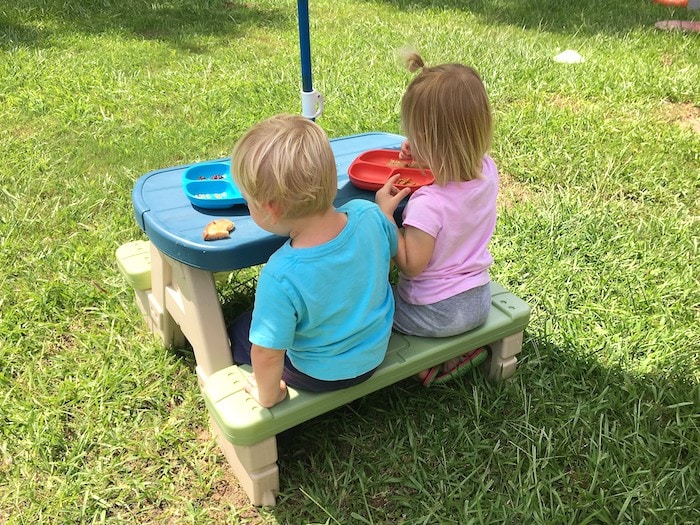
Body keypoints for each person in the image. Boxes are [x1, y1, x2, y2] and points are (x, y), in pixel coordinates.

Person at [227, 114, 399, 407]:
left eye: (248, 202)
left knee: (239, 331)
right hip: (374, 348)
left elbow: (267, 353)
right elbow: (389, 257)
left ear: (271, 209)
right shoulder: (370, 215)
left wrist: (269, 395)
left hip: (320, 373)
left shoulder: (281, 274)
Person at [376, 52, 499, 387]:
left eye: (417, 136)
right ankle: (463, 351)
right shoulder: (487, 170)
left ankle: (428, 366)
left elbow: (411, 265)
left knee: (374, 307)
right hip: (478, 300)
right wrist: (424, 155)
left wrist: (387, 216)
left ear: (433, 144)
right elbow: (453, 169)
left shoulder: (428, 203)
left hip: (432, 313)